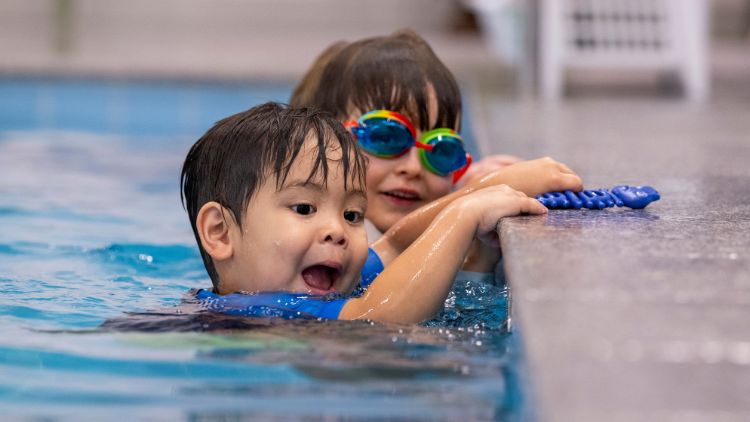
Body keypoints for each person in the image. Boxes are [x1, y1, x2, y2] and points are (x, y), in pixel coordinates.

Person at [180, 102, 547, 324]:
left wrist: (484, 190)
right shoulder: (258, 310)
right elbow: (383, 315)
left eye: (353, 215)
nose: (337, 231)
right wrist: (464, 213)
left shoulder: (319, 278)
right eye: (304, 208)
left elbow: (394, 245)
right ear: (221, 233)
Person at [290, 29, 582, 280]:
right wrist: (475, 197)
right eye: (387, 137)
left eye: (441, 150)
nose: (414, 168)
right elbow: (389, 255)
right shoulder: (312, 244)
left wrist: (480, 252)